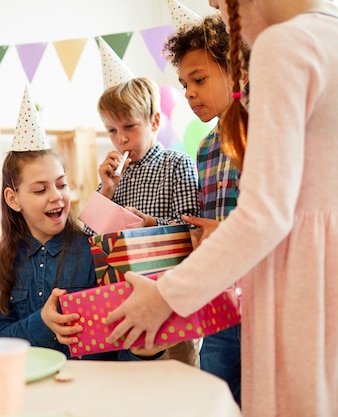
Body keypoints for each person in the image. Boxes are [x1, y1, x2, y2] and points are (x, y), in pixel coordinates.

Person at [106, 1, 338, 416]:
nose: (213, 3)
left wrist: (165, 297)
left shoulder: (283, 44)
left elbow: (264, 214)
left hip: (294, 283)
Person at [0, 87, 161, 361]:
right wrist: (41, 322)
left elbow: (124, 338)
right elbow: (1, 338)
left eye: (61, 184)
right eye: (40, 190)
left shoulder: (96, 251)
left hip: (92, 389)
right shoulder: (3, 262)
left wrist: (146, 351)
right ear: (13, 199)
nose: (56, 196)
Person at [162, 13, 250, 405]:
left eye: (199, 80)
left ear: (233, 67)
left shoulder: (260, 128)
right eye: (184, 84)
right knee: (213, 399)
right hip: (218, 301)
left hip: (258, 297)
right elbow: (208, 220)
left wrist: (225, 232)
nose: (189, 92)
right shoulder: (205, 148)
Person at [90, 77, 201, 366]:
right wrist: (107, 190)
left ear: (153, 122)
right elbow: (90, 236)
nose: (121, 139)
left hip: (169, 302)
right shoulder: (115, 178)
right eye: (112, 130)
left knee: (177, 386)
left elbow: (192, 229)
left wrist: (151, 223)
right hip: (124, 303)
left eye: (129, 126)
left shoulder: (177, 164)